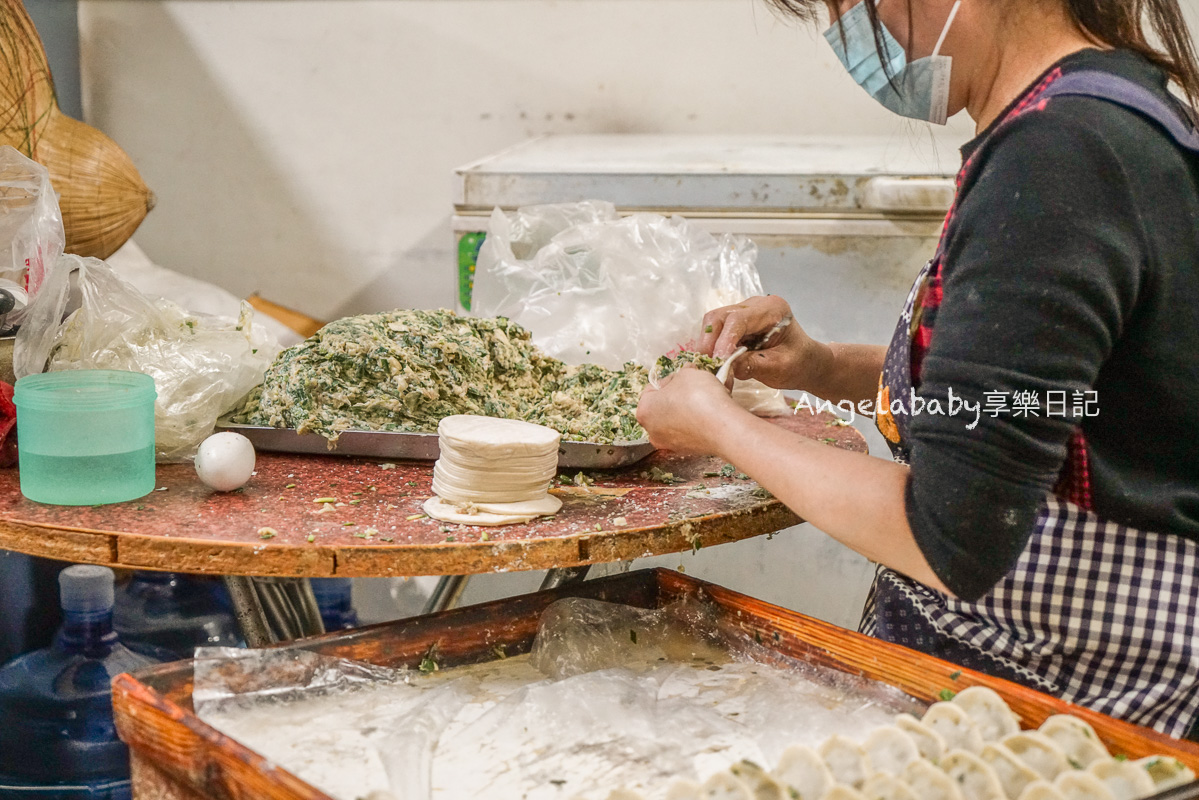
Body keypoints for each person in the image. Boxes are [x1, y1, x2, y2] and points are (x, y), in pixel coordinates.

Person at [635, 0, 1199, 737]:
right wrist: (822, 366)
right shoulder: (1110, 107)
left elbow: (948, 536)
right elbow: (1032, 409)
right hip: (1032, 663)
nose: (848, 37)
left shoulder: (1060, 157)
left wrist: (717, 426)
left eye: (847, 6)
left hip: (1068, 699)